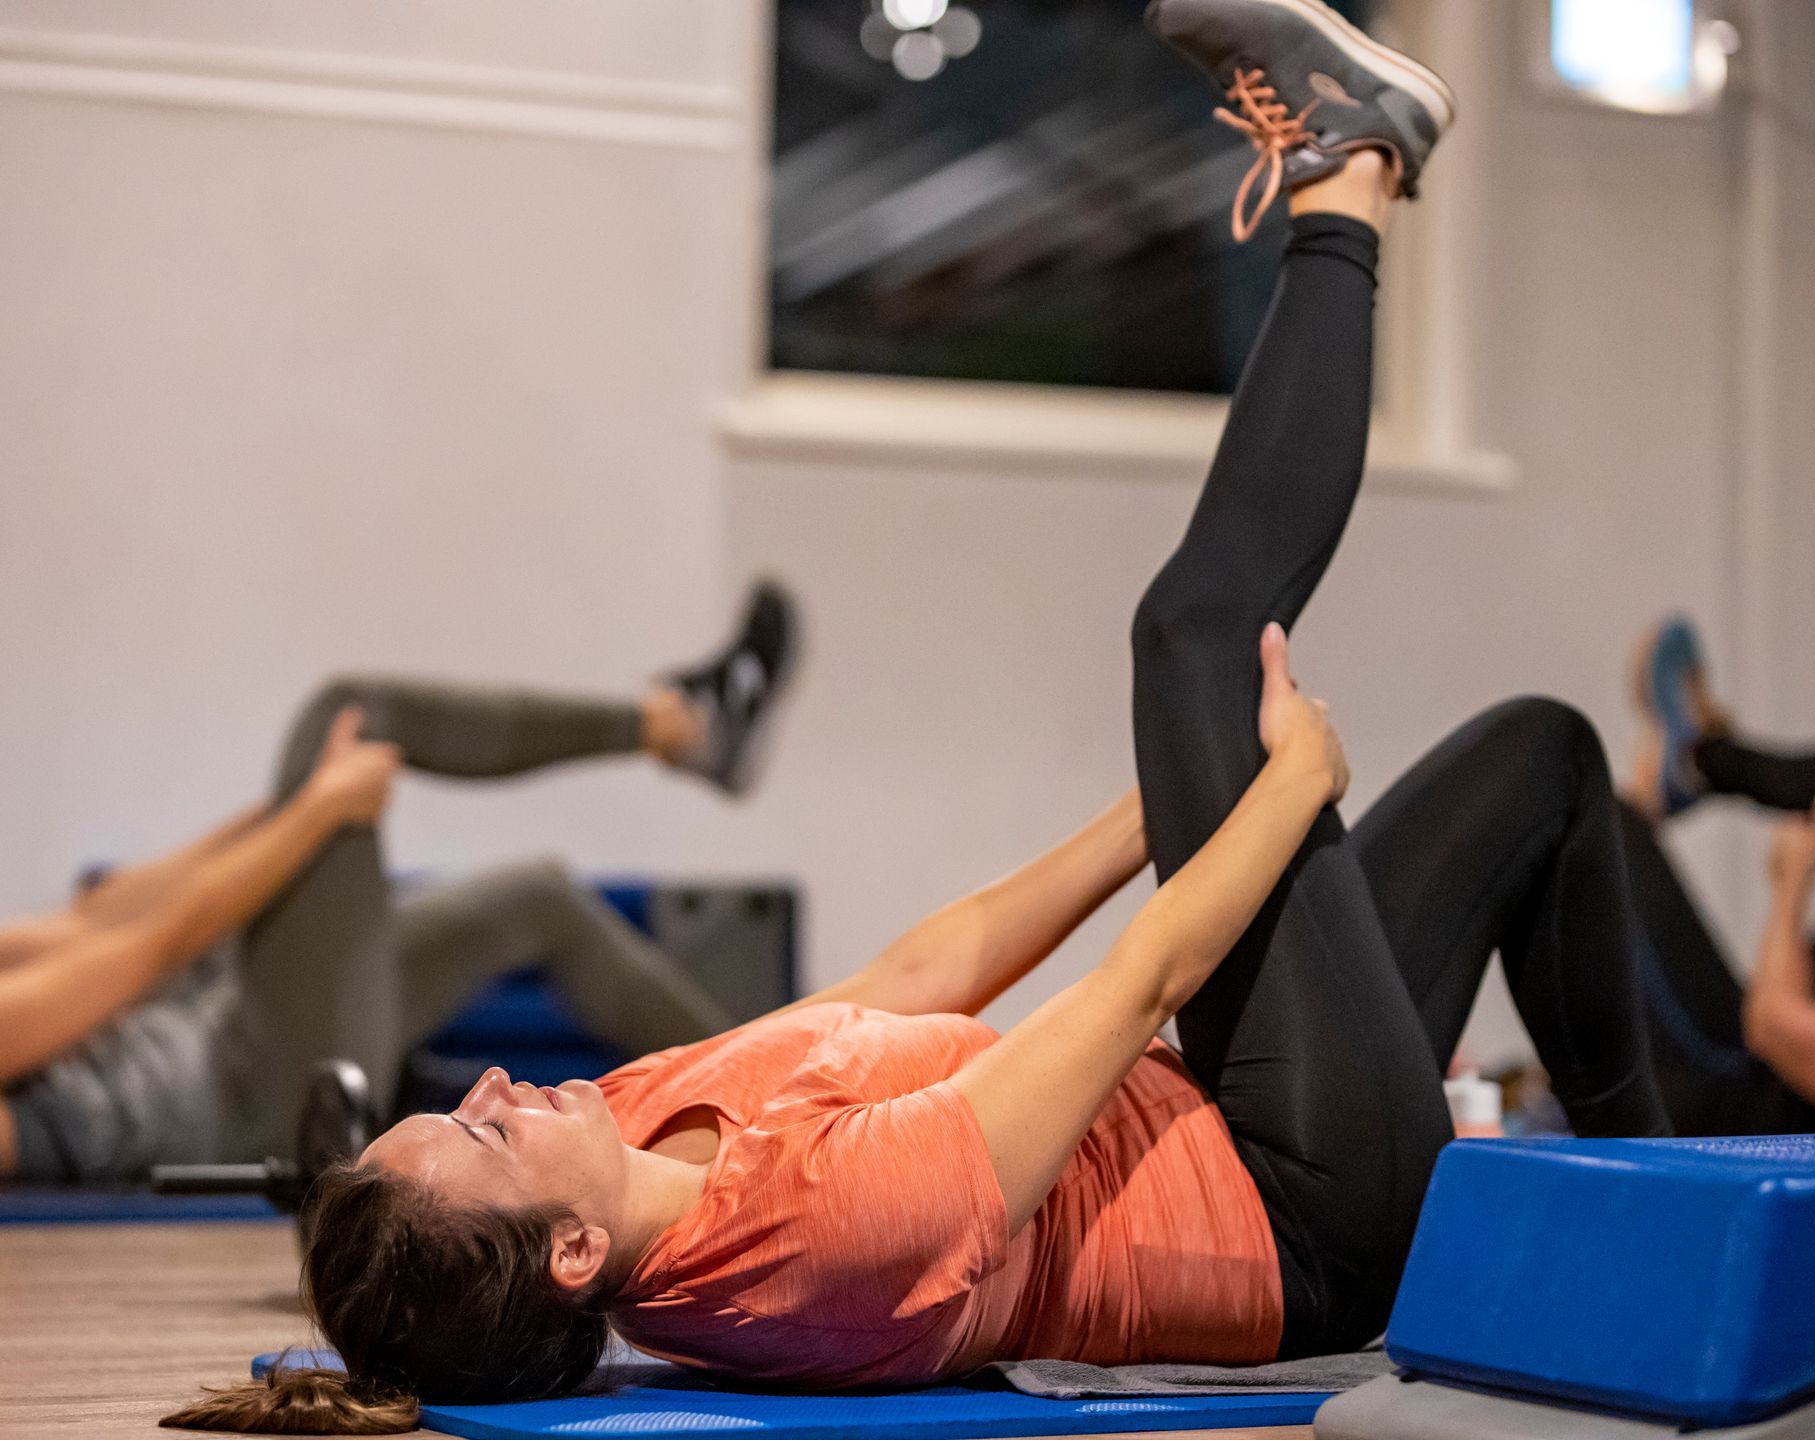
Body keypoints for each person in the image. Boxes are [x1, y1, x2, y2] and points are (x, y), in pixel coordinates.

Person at [167, 2, 1669, 1430]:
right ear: (569, 1257)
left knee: (1538, 757)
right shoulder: (815, 1251)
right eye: (485, 1130)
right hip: (1305, 1214)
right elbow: (1134, 982)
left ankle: (1684, 1217)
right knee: (1192, 640)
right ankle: (1353, 172)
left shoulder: (621, 1129)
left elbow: (919, 970)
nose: (491, 1082)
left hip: (1226, 1107)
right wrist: (1282, 785)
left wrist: (1173, 801)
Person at [0, 583, 797, 1183]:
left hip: (233, 1022)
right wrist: (314, 815)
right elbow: (149, 944)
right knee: (353, 711)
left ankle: (784, 1097)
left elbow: (100, 917)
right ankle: (680, 727)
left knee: (540, 899)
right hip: (267, 1102)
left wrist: (301, 806)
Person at [1620, 616, 1815, 1134]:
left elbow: (1772, 1030)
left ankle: (1680, 772)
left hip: (1756, 1104)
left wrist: (1791, 887)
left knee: (1596, 816)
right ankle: (1701, 760)